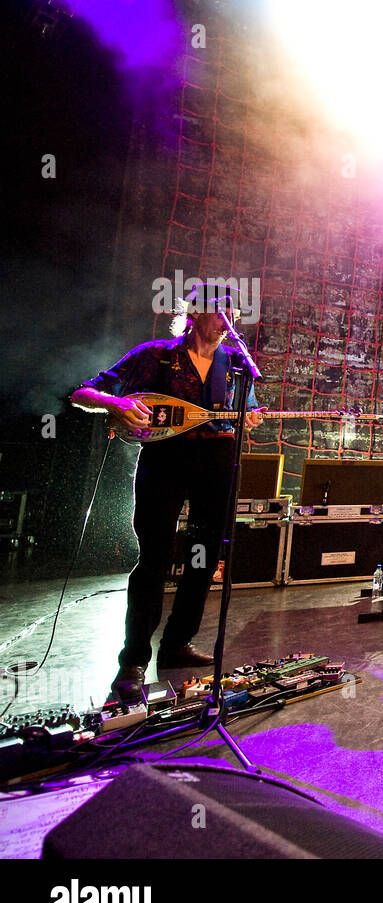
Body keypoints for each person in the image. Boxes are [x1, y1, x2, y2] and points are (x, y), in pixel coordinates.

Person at [70, 283, 264, 704]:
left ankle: (178, 641)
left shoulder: (235, 364)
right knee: (154, 557)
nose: (227, 317)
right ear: (195, 312)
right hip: (166, 460)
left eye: (232, 309)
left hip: (217, 462)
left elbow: (244, 409)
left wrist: (246, 420)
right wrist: (115, 404)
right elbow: (82, 392)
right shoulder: (156, 354)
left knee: (205, 555)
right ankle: (134, 659)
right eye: (219, 309)